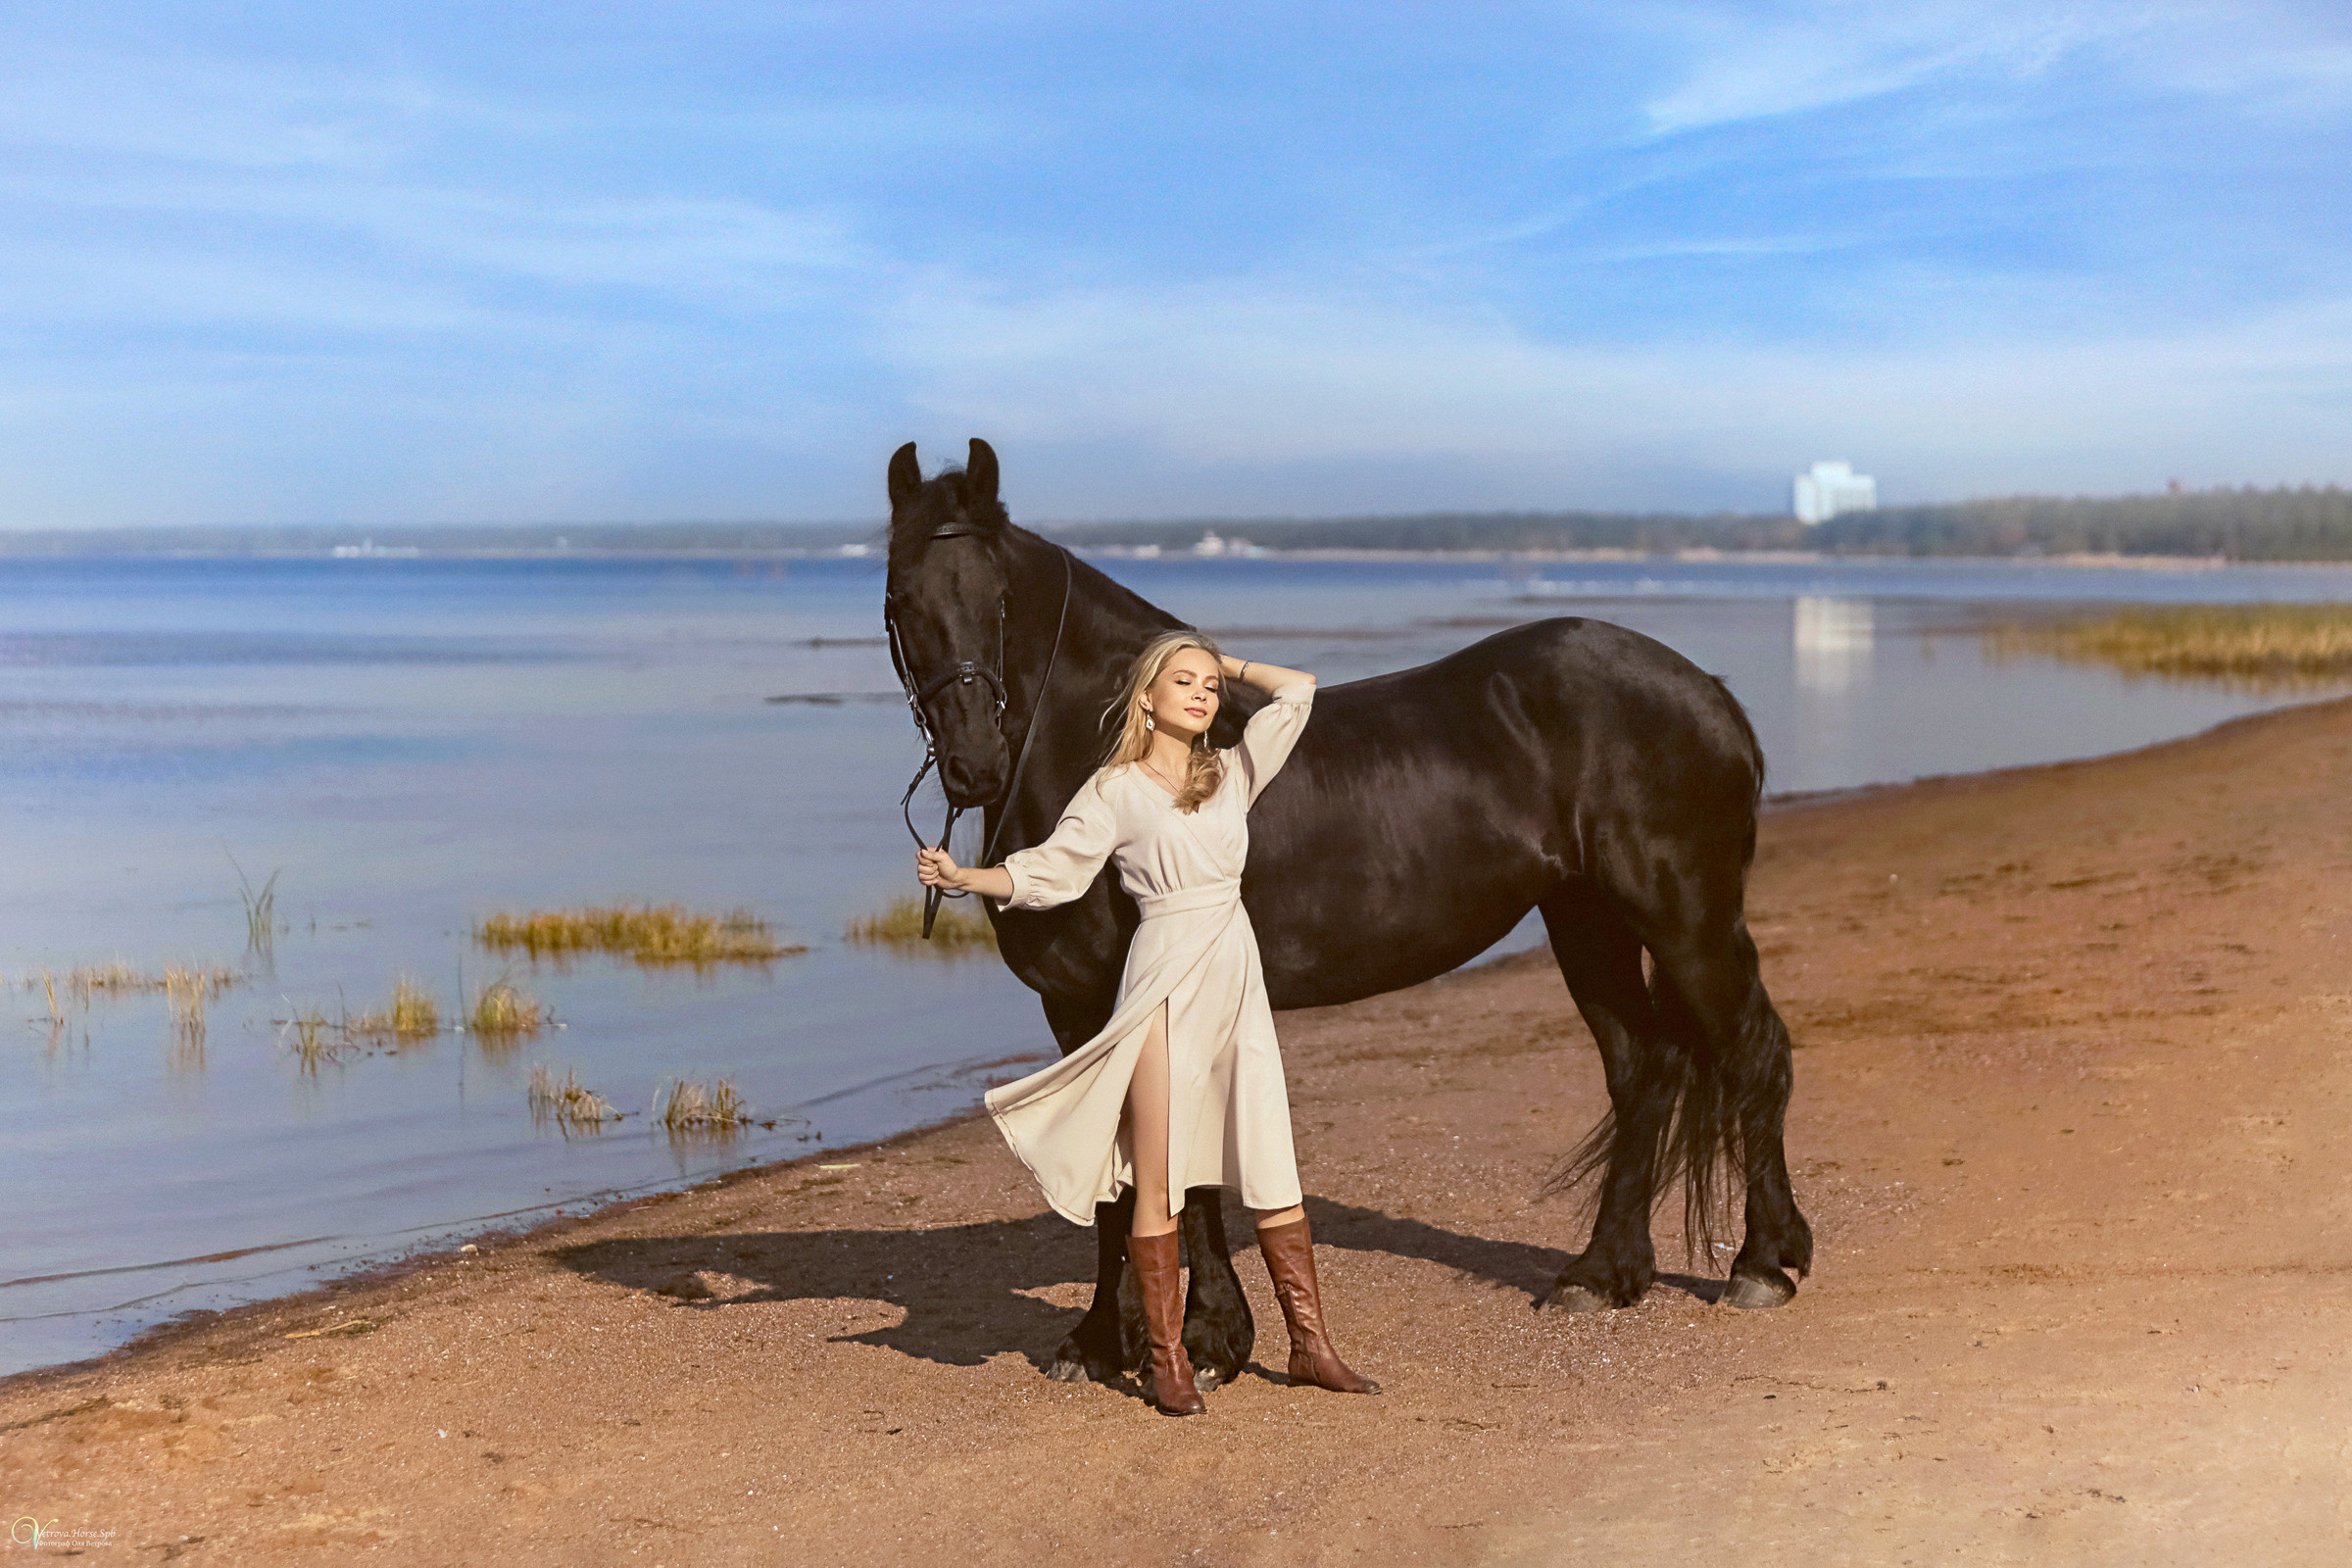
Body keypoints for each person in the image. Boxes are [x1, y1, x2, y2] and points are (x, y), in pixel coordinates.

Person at [916, 630, 1380, 1417]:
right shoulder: (1114, 789)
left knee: (1271, 1156)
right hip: (1165, 977)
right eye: (1183, 680)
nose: (1202, 694)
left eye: (1209, 686)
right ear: (1147, 698)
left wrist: (1222, 659)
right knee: (1158, 1173)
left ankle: (1310, 1346)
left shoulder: (1231, 772)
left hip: (1235, 973)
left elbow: (1298, 690)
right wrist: (965, 876)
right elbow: (1053, 871)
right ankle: (1167, 1360)